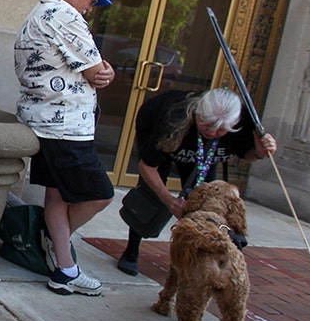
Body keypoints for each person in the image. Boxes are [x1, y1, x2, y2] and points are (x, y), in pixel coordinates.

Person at [14, 0, 116, 296]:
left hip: (44, 121)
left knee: (57, 196)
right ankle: (51, 238)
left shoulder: (39, 13)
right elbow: (94, 72)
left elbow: (95, 70)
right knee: (100, 194)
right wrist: (103, 71)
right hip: (64, 127)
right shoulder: (66, 15)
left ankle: (65, 270)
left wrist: (100, 71)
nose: (92, 7)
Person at [115, 88, 278, 276]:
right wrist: (169, 200)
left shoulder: (245, 123)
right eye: (206, 124)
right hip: (163, 133)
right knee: (151, 195)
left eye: (221, 130)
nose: (213, 132)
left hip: (203, 154)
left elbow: (248, 156)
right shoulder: (173, 118)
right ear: (197, 112)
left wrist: (260, 152)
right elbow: (147, 167)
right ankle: (131, 250)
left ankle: (193, 255)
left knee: (206, 200)